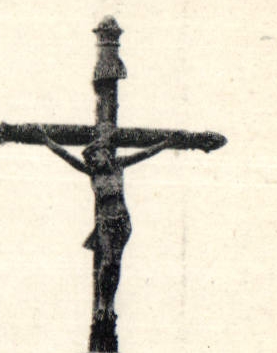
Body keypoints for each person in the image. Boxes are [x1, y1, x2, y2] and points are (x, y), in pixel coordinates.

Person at [41, 130, 185, 323]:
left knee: (115, 262)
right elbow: (65, 155)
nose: (93, 159)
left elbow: (145, 154)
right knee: (107, 261)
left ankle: (110, 304)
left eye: (96, 155)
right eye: (91, 157)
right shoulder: (92, 172)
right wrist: (47, 140)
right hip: (106, 224)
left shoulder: (118, 165)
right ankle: (103, 303)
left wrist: (166, 143)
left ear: (106, 153)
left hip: (122, 222)